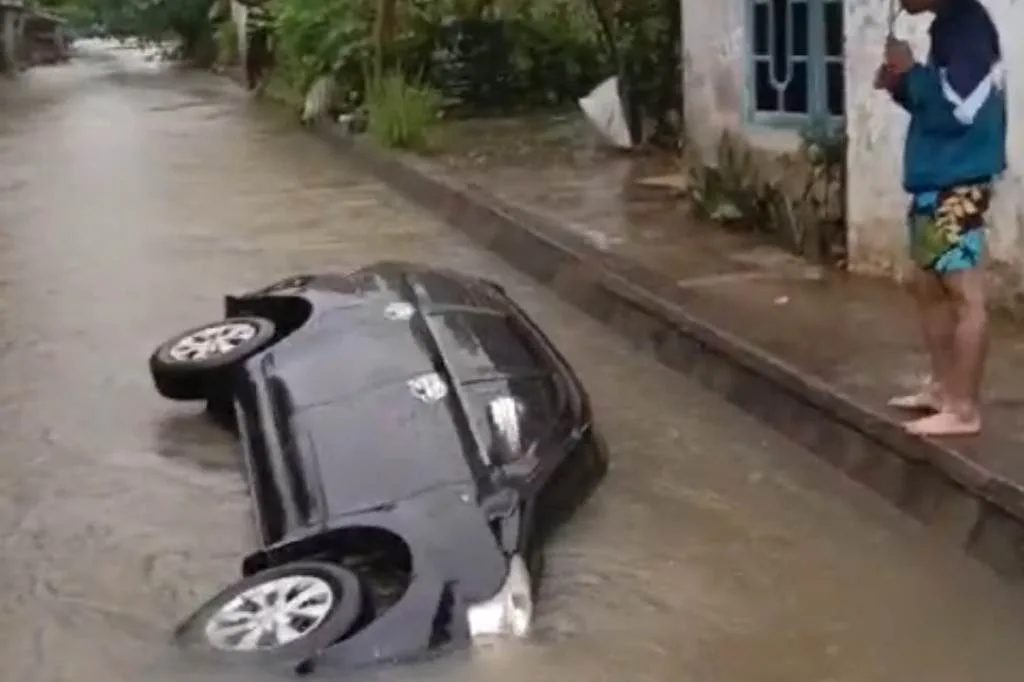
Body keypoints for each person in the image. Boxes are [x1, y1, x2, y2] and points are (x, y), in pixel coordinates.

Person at [874, 0, 1006, 437]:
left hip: (957, 184)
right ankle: (944, 388)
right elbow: (937, 104)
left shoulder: (968, 29)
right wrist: (901, 85)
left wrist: (911, 73)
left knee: (963, 294)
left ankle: (963, 408)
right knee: (929, 286)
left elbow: (960, 108)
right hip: (938, 179)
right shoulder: (949, 26)